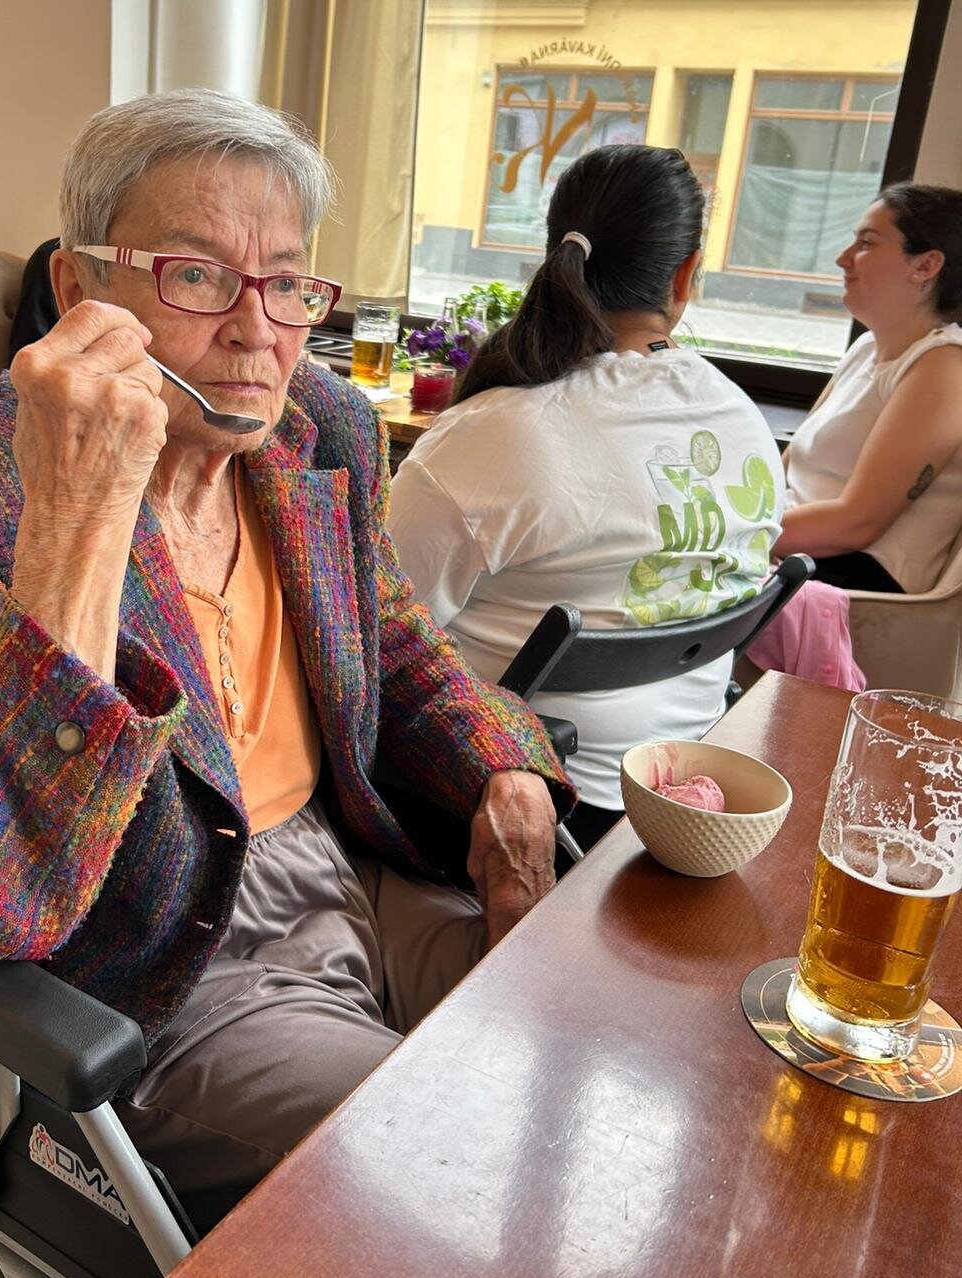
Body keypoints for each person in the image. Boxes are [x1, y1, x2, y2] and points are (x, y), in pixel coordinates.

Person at [0, 89, 572, 1232]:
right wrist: (77, 524)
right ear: (80, 290)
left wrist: (503, 769)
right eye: (196, 275)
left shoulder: (320, 428)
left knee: (585, 1057)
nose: (256, 330)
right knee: (453, 1163)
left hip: (354, 869)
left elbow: (390, 645)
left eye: (285, 282)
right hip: (173, 955)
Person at [388, 144, 783, 850]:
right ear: (685, 274)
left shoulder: (493, 436)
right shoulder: (742, 420)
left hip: (517, 803)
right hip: (685, 800)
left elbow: (367, 630)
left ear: (557, 254)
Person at [775, 184, 962, 594]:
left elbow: (856, 524)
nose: (843, 258)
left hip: (855, 579)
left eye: (866, 243)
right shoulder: (865, 348)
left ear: (926, 265)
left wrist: (730, 535)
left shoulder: (944, 367)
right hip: (798, 553)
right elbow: (784, 470)